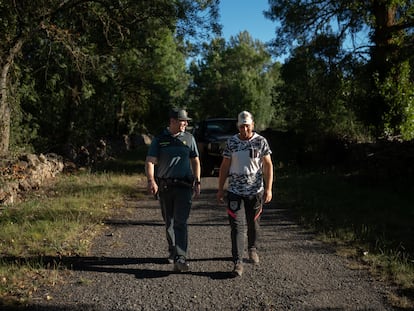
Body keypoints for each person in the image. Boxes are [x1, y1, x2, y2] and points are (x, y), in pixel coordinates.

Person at [217, 111, 273, 277]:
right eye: (242, 126)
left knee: (253, 223)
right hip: (235, 192)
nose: (245, 129)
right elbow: (225, 166)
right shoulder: (232, 142)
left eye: (247, 125)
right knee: (237, 227)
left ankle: (252, 249)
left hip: (255, 192)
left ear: (252, 125)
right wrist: (220, 188)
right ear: (238, 127)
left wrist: (269, 188)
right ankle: (238, 262)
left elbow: (268, 165)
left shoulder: (261, 142)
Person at [145, 107, 201, 272]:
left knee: (181, 222)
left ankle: (180, 257)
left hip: (184, 186)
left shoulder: (189, 139)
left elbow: (195, 161)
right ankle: (173, 249)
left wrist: (197, 181)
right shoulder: (160, 139)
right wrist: (151, 181)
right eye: (182, 121)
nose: (185, 124)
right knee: (169, 222)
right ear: (172, 121)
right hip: (165, 187)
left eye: (186, 121)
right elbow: (150, 161)